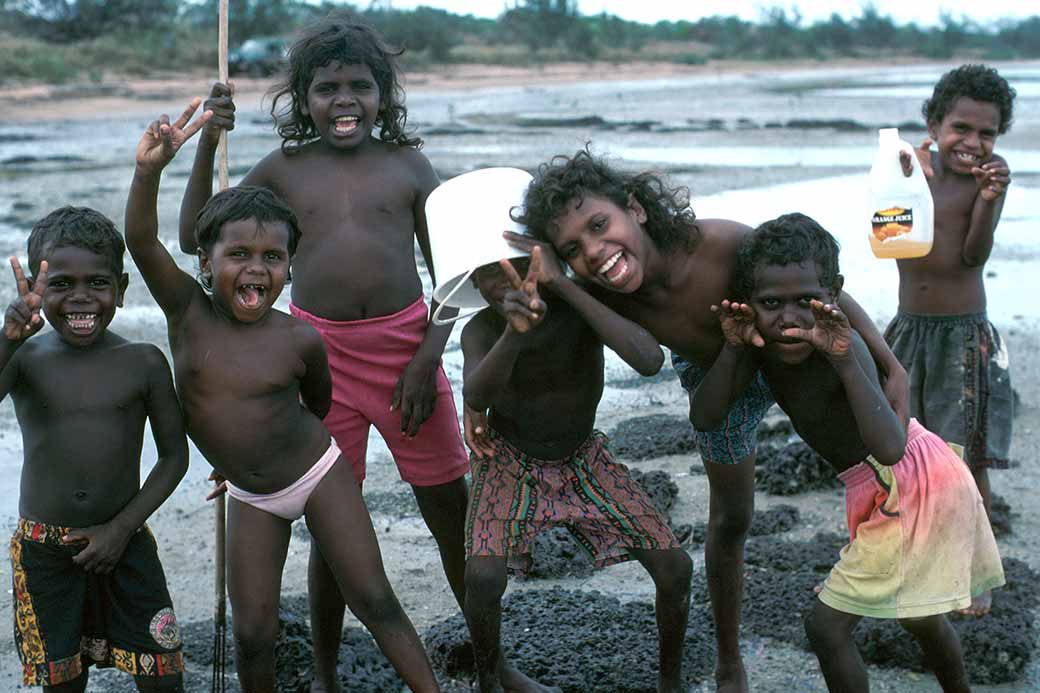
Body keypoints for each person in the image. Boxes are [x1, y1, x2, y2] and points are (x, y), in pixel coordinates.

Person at [506, 149, 909, 692]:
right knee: (731, 519)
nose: (596, 251)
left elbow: (824, 288)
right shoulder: (602, 293)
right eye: (573, 248)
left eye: (600, 225)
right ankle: (729, 660)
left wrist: (888, 360)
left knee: (878, 460)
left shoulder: (722, 243)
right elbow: (643, 357)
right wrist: (563, 285)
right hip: (719, 370)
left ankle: (912, 568)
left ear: (636, 209)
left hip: (790, 346)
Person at [177, 15, 478, 689]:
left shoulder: (408, 166)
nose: (344, 100)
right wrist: (208, 140)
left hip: (409, 355)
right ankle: (324, 669)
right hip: (321, 358)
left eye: (360, 86)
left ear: (383, 94)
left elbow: (454, 272)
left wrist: (430, 356)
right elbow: (193, 231)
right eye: (326, 87)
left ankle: (494, 661)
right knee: (330, 511)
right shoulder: (283, 168)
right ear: (303, 98)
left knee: (447, 508)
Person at [125, 99, 439, 693]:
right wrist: (149, 172)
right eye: (238, 255)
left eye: (272, 258)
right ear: (204, 259)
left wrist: (263, 442)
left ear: (291, 266)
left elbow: (313, 408)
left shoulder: (301, 338)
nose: (256, 269)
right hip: (251, 494)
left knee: (375, 600)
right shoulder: (186, 312)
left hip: (318, 473)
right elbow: (140, 240)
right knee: (252, 634)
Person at [690, 213, 1004, 692]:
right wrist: (732, 348)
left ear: (833, 293)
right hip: (884, 484)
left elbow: (890, 447)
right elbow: (706, 417)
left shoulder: (844, 345)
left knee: (826, 627)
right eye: (771, 303)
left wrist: (843, 360)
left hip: (913, 481)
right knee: (919, 618)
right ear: (747, 302)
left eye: (805, 301)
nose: (790, 318)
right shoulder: (756, 347)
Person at [462, 246, 692, 693]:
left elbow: (648, 360)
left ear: (543, 263)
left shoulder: (580, 306)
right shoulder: (481, 328)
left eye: (518, 264)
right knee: (483, 577)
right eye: (490, 272)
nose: (508, 279)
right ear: (472, 282)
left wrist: (565, 284)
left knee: (675, 568)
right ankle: (489, 679)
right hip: (510, 460)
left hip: (584, 458)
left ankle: (671, 682)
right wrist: (514, 332)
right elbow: (477, 394)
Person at [1, 207, 189, 691]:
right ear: (37, 291)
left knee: (163, 676)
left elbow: (174, 457)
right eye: (61, 284)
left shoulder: (143, 362)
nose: (81, 298)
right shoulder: (23, 358)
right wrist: (6, 341)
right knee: (64, 682)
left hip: (124, 543)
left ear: (121, 289)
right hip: (46, 552)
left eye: (98, 283)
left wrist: (121, 529)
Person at [891, 64, 1016, 616]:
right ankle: (915, 562)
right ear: (934, 123)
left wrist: (989, 198)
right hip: (908, 331)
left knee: (967, 463)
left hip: (964, 338)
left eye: (986, 133)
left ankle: (974, 574)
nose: (972, 142)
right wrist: (903, 175)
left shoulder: (985, 182)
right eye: (960, 128)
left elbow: (973, 256)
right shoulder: (904, 171)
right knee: (904, 453)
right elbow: (889, 238)